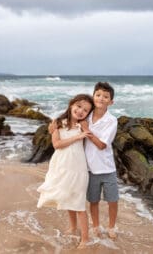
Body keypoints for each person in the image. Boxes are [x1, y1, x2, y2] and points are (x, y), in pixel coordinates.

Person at [37, 94, 94, 249]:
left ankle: (85, 238)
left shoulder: (84, 125)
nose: (81, 111)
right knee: (68, 197)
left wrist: (84, 131)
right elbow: (57, 144)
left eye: (86, 110)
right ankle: (73, 227)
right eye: (79, 106)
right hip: (62, 166)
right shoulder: (58, 123)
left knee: (79, 202)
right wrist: (78, 136)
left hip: (78, 168)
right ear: (71, 105)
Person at [80, 82, 118, 239]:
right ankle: (96, 226)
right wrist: (54, 124)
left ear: (111, 102)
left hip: (107, 168)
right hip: (89, 168)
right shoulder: (86, 115)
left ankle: (111, 227)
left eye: (106, 96)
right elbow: (70, 117)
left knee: (112, 200)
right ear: (93, 96)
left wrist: (86, 130)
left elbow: (102, 145)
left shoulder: (111, 120)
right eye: (98, 95)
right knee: (93, 200)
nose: (101, 98)